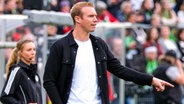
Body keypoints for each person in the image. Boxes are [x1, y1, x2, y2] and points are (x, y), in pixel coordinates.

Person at [43, 2, 174, 104]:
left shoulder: (99, 44)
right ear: (77, 19)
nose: (96, 19)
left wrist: (150, 80)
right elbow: (49, 81)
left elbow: (120, 70)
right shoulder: (60, 46)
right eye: (91, 16)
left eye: (96, 16)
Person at [0, 39, 42, 104]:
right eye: (29, 50)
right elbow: (5, 97)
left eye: (34, 49)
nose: (33, 52)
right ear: (20, 53)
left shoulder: (36, 75)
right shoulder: (17, 71)